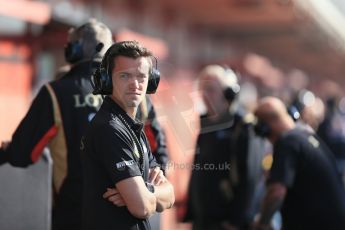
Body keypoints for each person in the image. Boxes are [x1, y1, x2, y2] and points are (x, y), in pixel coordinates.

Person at [0, 19, 113, 230]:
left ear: (76, 50)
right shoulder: (134, 92)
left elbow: (23, 153)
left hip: (75, 212)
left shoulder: (56, 92)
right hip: (126, 215)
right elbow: (157, 151)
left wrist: (6, 152)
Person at [81, 40, 175, 230]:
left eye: (141, 76)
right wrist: (143, 194)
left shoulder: (131, 126)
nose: (135, 84)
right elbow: (141, 207)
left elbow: (170, 196)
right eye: (125, 76)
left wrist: (145, 189)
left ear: (151, 80)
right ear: (106, 80)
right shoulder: (109, 129)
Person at [184, 65, 265, 229]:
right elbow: (197, 167)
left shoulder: (244, 127)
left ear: (228, 94)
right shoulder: (206, 124)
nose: (205, 95)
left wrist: (236, 220)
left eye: (211, 89)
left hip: (228, 221)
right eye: (203, 89)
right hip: (203, 218)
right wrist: (191, 211)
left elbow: (251, 177)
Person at [253, 97, 345, 230]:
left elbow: (276, 192)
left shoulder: (287, 141)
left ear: (264, 127)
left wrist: (262, 223)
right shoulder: (305, 135)